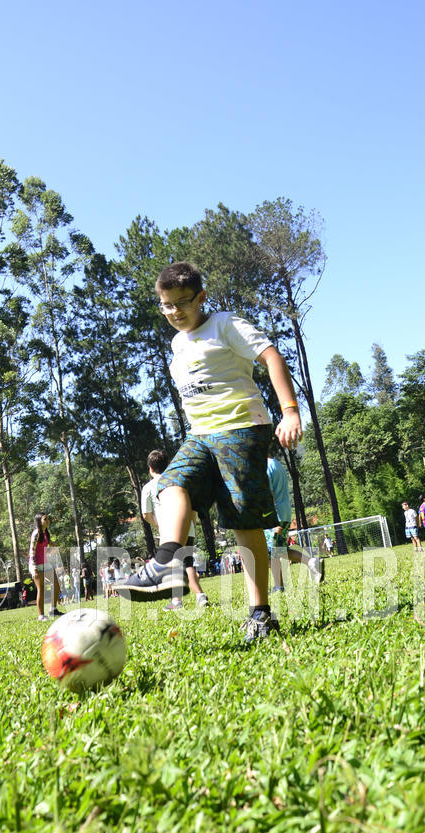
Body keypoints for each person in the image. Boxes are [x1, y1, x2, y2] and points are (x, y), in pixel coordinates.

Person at [117, 261, 321, 643]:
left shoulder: (225, 324)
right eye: (166, 305)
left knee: (244, 523)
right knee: (170, 485)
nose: (175, 312)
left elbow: (272, 356)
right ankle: (168, 562)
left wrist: (290, 410)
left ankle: (260, 615)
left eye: (183, 302)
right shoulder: (178, 342)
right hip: (201, 435)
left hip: (241, 428)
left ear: (201, 298)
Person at [141, 448, 209, 611]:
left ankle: (182, 600)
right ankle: (197, 597)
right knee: (187, 562)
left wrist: (158, 525)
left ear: (150, 468)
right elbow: (192, 509)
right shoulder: (179, 481)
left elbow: (146, 514)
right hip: (188, 527)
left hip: (169, 531)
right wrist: (191, 526)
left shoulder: (149, 487)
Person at [266, 455, 324, 593]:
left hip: (274, 514)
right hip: (285, 511)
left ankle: (279, 586)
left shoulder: (265, 467)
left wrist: (269, 518)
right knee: (278, 550)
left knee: (272, 552)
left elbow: (269, 494)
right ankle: (309, 563)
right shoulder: (277, 464)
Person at [28, 513, 63, 621]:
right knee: (41, 589)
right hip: (35, 564)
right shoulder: (36, 533)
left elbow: (46, 544)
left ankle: (53, 609)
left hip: (45, 563)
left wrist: (53, 545)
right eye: (45, 519)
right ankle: (41, 615)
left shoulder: (46, 533)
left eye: (48, 519)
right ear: (39, 521)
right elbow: (32, 551)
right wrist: (34, 567)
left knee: (57, 584)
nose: (48, 521)